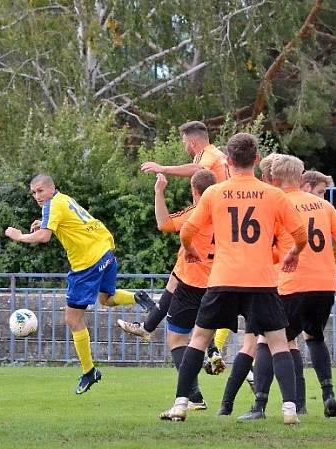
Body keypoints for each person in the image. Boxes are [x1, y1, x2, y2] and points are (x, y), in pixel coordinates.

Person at [159, 133, 308, 425]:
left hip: (223, 277)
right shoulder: (273, 194)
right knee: (278, 343)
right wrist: (294, 253)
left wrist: (189, 251)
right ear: (256, 159)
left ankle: (180, 405)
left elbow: (187, 231)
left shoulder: (214, 193)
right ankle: (289, 409)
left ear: (228, 161)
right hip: (261, 279)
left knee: (199, 339)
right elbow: (300, 233)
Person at [5, 174, 156, 394]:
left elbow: (43, 237)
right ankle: (138, 297)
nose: (37, 196)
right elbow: (70, 223)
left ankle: (89, 371)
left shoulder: (51, 205)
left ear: (51, 188)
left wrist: (19, 236)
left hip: (87, 264)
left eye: (40, 191)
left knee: (72, 319)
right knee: (107, 299)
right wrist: (46, 223)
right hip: (105, 250)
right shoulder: (63, 199)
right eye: (34, 193)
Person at [240, 155, 336, 421]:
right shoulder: (321, 204)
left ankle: (259, 406)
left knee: (270, 340)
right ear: (301, 176)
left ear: (274, 179)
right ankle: (328, 394)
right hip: (325, 284)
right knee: (314, 336)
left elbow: (264, 246)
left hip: (292, 283)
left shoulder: (276, 205)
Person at [123, 120, 231, 374]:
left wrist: (162, 172)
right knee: (178, 275)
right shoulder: (223, 159)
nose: (185, 146)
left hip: (200, 269)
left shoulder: (208, 155)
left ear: (193, 141)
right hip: (223, 247)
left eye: (184, 141)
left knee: (179, 339)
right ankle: (149, 326)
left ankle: (197, 380)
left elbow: (165, 222)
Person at [136, 170, 218, 410]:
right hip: (219, 284)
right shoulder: (225, 214)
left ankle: (191, 398)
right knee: (204, 337)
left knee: (178, 340)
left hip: (192, 283)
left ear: (194, 191)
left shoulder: (196, 213)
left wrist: (159, 192)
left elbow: (164, 223)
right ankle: (217, 358)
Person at [214, 152, 282, 416]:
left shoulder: (268, 200)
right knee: (277, 343)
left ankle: (238, 405)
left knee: (256, 343)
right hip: (274, 281)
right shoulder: (275, 200)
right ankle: (295, 405)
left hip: (262, 279)